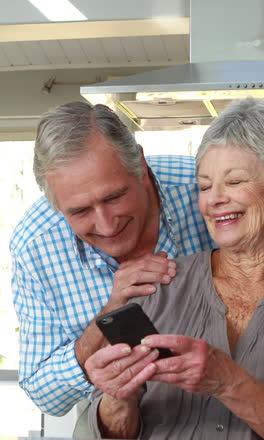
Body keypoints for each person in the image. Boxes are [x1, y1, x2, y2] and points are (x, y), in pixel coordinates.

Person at [10, 101, 213, 418]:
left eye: (114, 196)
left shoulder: (204, 189)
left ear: (142, 167)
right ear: (58, 207)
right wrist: (105, 320)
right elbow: (45, 395)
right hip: (116, 422)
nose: (107, 225)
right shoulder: (35, 245)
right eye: (79, 211)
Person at [85, 97, 264, 440]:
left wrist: (229, 382)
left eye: (235, 181)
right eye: (205, 186)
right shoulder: (160, 287)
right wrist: (118, 398)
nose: (214, 199)